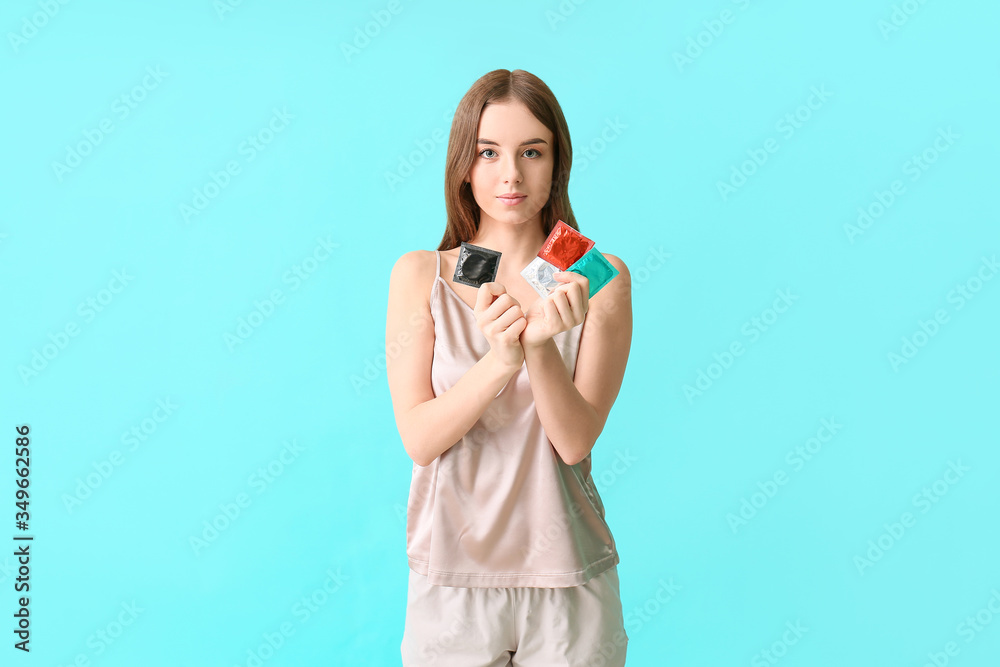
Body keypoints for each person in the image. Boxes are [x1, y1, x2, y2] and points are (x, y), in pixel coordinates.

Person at [386, 68, 632, 666]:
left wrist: (542, 345)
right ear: (464, 165)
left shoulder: (599, 277)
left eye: (532, 152)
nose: (511, 174)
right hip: (453, 581)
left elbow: (574, 442)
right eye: (489, 152)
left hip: (568, 579)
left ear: (557, 163)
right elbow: (419, 439)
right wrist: (500, 359)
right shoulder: (423, 273)